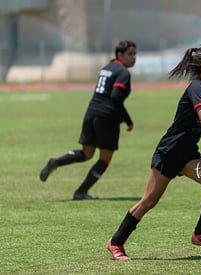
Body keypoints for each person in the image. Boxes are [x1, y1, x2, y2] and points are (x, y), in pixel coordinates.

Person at [107, 47, 201, 260]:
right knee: (149, 201)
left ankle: (200, 233)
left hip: (188, 153)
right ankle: (116, 242)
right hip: (169, 152)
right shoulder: (196, 87)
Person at [39, 40, 136, 200]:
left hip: (91, 112)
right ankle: (81, 192)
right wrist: (128, 119)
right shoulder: (123, 73)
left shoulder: (106, 68)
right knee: (104, 158)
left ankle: (57, 162)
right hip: (107, 116)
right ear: (119, 54)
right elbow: (115, 97)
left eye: (135, 54)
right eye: (130, 54)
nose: (134, 58)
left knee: (86, 153)